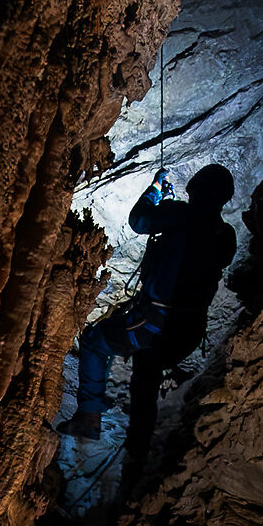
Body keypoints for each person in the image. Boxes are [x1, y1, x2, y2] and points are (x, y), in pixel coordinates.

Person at [61, 164, 237, 454]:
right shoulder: (226, 235)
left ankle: (89, 418)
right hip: (189, 333)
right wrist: (172, 213)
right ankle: (137, 457)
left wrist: (155, 191)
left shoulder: (182, 215)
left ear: (194, 188)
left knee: (94, 342)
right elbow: (193, 250)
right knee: (146, 376)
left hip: (154, 325)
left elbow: (139, 221)